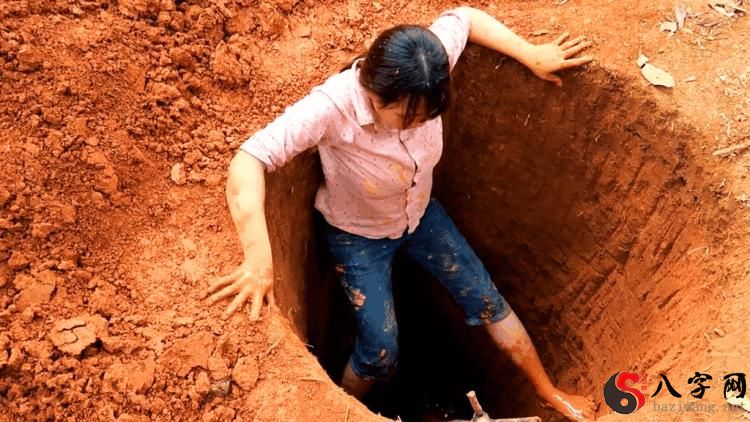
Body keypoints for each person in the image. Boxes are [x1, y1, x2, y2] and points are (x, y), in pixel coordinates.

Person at [205, 6, 595, 421]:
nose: (418, 126)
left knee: (485, 297)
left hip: (421, 217)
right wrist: (258, 258)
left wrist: (530, 53)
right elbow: (250, 158)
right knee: (380, 350)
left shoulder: (423, 65)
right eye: (408, 119)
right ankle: (345, 408)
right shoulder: (333, 107)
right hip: (357, 237)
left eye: (427, 118)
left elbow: (464, 18)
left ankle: (547, 391)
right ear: (376, 96)